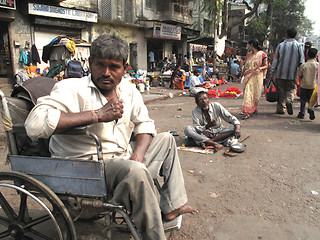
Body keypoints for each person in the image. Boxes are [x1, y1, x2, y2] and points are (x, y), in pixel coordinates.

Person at [25, 34, 196, 240]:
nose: (106, 73)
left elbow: (145, 124)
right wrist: (96, 115)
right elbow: (34, 125)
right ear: (90, 63)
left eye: (114, 67)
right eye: (100, 65)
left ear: (125, 68)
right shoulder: (71, 88)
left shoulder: (129, 90)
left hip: (125, 161)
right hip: (87, 169)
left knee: (166, 140)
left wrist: (139, 156)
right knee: (134, 170)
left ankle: (171, 207)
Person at [270, 28, 305, 115]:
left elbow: (275, 60)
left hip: (280, 73)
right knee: (291, 89)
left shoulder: (280, 45)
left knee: (281, 90)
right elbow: (301, 61)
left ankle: (281, 109)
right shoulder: (298, 46)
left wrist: (272, 72)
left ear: (287, 34)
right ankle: (289, 101)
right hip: (293, 74)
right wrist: (301, 73)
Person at [240, 39, 268, 119]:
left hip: (257, 77)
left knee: (255, 94)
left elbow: (266, 65)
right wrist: (241, 76)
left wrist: (260, 68)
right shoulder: (249, 55)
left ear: (252, 45)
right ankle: (246, 111)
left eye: (248, 45)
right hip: (248, 77)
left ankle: (253, 108)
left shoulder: (262, 54)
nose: (247, 47)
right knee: (247, 93)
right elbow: (245, 67)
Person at [296, 47, 319, 120]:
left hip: (304, 85)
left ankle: (302, 113)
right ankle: (311, 109)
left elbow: (299, 74)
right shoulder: (317, 65)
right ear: (316, 56)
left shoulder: (304, 65)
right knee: (311, 100)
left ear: (307, 55)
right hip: (313, 85)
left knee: (303, 100)